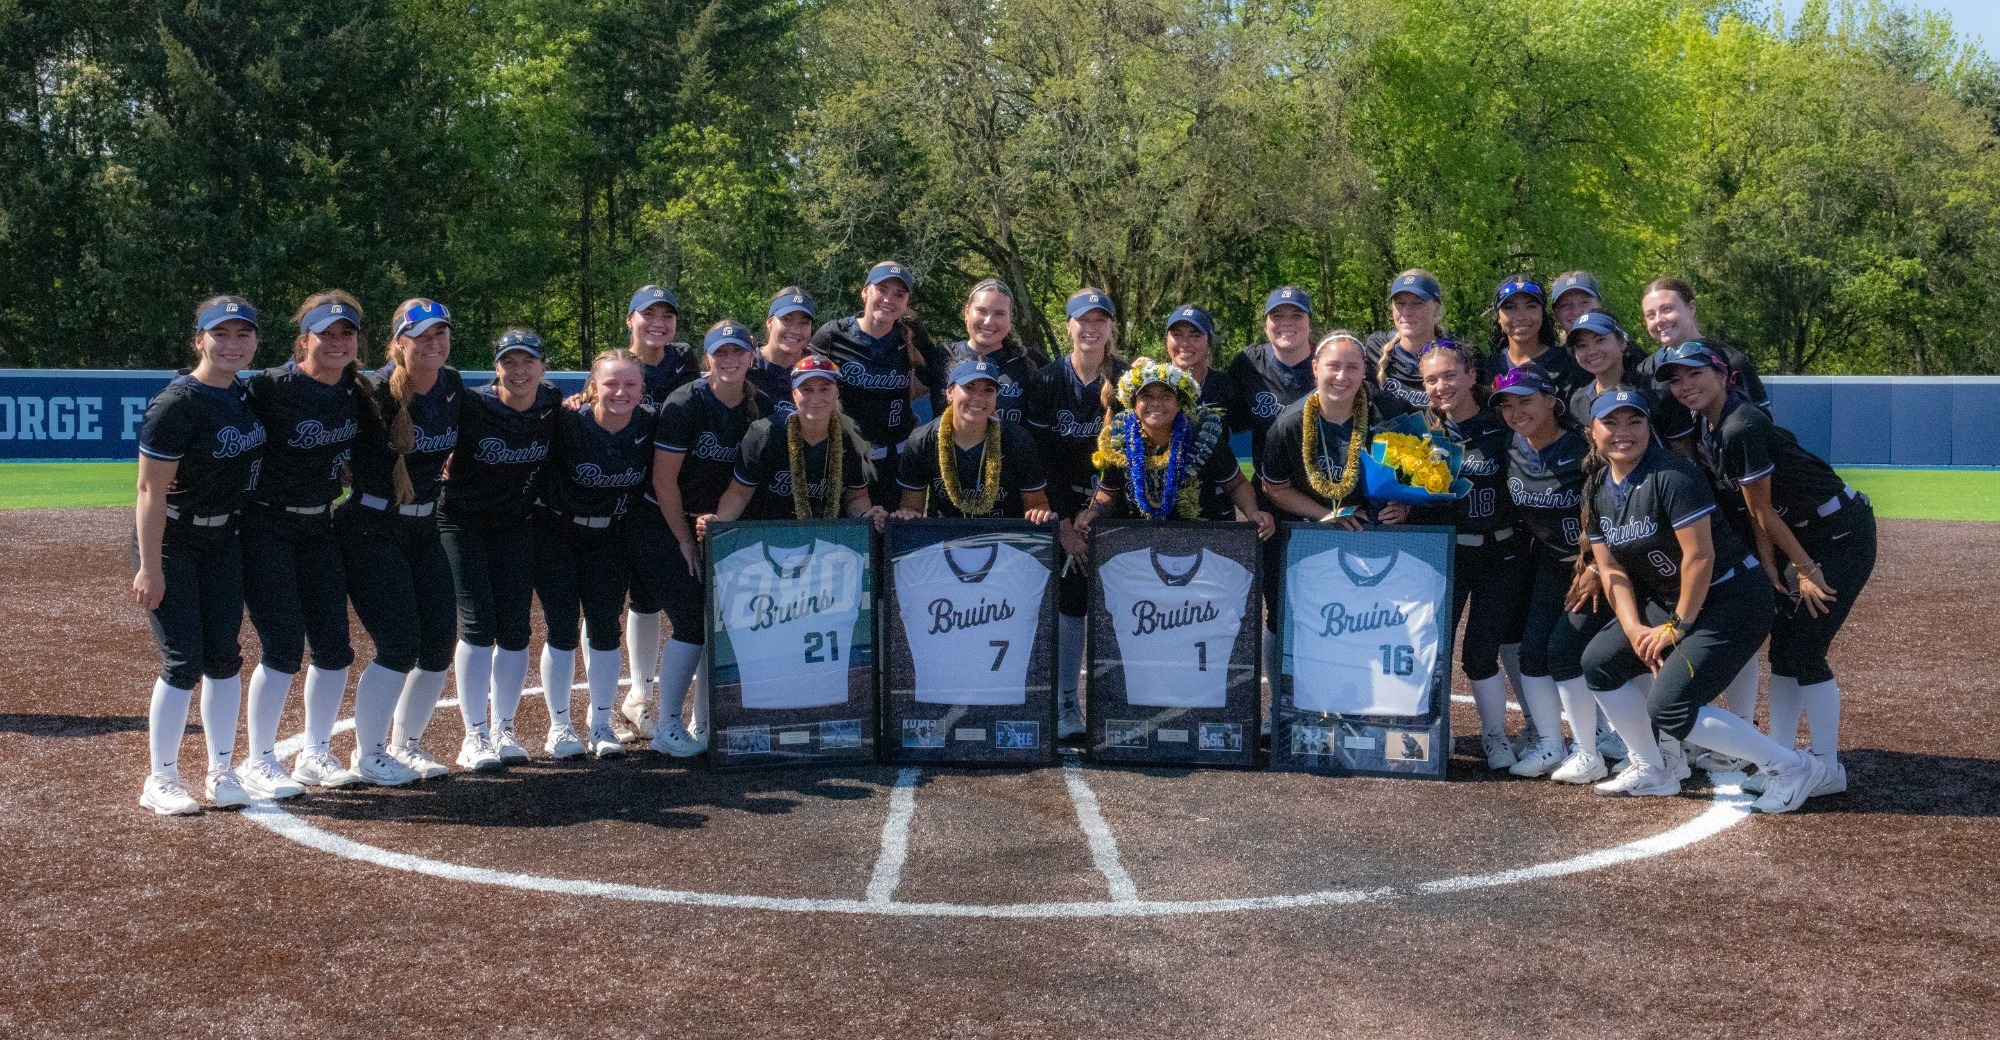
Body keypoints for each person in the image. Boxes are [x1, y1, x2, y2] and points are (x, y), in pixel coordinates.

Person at [1575, 389, 1824, 811]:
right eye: (1610, 422)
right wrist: (1635, 629)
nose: (1623, 433)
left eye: (1634, 421)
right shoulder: (1599, 486)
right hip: (1675, 601)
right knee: (1598, 662)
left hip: (1732, 597)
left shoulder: (1673, 475)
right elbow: (1612, 570)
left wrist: (1677, 626)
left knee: (1671, 706)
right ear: (1591, 432)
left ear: (1648, 426)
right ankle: (1653, 769)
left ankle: (1791, 767)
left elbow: (1699, 556)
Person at [1657, 342, 1873, 797]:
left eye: (1694, 373)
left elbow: (1762, 513)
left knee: (1805, 650)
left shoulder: (1740, 425)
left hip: (1839, 535)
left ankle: (1828, 767)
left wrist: (1806, 569)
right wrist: (1772, 569)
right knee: (1784, 655)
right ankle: (1782, 759)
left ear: (1724, 376)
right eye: (1675, 379)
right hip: (1802, 536)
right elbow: (1755, 511)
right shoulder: (1709, 425)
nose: (1684, 385)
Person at [132, 296, 268, 814]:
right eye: (221, 334)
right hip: (175, 541)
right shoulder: (177, 404)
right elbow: (150, 492)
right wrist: (150, 565)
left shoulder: (246, 395)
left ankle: (221, 769)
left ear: (256, 340)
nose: (232, 345)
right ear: (199, 340)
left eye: (242, 335)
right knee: (183, 660)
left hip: (223, 540)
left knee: (224, 658)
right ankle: (161, 778)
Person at [625, 321, 769, 756]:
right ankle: (667, 725)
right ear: (707, 358)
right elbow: (663, 480)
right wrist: (686, 540)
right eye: (720, 353)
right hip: (663, 521)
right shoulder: (686, 401)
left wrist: (717, 529)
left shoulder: (757, 405)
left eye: (737, 352)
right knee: (691, 620)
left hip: (718, 523)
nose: (729, 361)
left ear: (751, 356)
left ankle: (704, 722)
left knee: (717, 620)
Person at [241, 291, 365, 793]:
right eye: (326, 333)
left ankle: (315, 753)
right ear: (304, 338)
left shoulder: (356, 391)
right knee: (283, 645)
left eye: (346, 334)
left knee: (335, 647)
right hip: (266, 526)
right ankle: (259, 759)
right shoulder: (269, 388)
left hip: (321, 526)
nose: (336, 342)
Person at [336, 298, 463, 786]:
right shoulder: (368, 390)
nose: (432, 343)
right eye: (421, 335)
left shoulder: (452, 387)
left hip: (423, 525)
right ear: (398, 343)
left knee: (437, 642)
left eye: (440, 334)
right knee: (398, 643)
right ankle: (367, 754)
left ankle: (406, 745)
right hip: (370, 525)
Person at [1403, 340, 1537, 770]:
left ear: (1471, 375)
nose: (1440, 386)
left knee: (1482, 651)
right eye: (1430, 379)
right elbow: (1402, 487)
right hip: (1446, 555)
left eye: (1449, 375)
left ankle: (1498, 735)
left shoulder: (1502, 426)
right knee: (1431, 646)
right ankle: (1432, 728)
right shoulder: (1419, 431)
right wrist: (1402, 503)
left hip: (1501, 554)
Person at [437, 328, 560, 769]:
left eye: (528, 361)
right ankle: (474, 736)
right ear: (496, 368)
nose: (519, 370)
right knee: (476, 624)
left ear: (543, 367)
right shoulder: (472, 405)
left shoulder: (551, 405)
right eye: (509, 361)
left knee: (515, 629)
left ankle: (503, 728)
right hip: (462, 522)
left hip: (514, 524)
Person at [1492, 365, 1614, 782]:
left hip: (1604, 568)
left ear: (1551, 401)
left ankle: (1591, 748)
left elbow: (1617, 511)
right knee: (1531, 654)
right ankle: (1549, 744)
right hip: (1551, 565)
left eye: (1525, 400)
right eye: (1507, 404)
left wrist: (1598, 566)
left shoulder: (1585, 450)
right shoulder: (1513, 448)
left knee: (1568, 652)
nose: (1515, 411)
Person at [535, 349, 655, 761]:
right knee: (562, 630)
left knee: (605, 630)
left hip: (609, 537)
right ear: (591, 387)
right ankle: (559, 726)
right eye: (610, 383)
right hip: (558, 535)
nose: (620, 392)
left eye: (630, 384)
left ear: (642, 389)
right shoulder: (565, 421)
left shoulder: (649, 423)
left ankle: (600, 724)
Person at [1027, 289, 1129, 738]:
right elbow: (1039, 463)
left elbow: (1139, 456)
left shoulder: (1130, 380)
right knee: (1070, 603)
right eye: (1081, 320)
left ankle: (1125, 703)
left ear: (1111, 327)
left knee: (1124, 604)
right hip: (1065, 508)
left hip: (1122, 508)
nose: (1090, 329)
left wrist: (1100, 511)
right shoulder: (1047, 381)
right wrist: (1067, 525)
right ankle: (1066, 701)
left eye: (1100, 320)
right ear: (1067, 325)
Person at [1074, 358, 1273, 538]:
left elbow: (1236, 484)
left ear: (1179, 403)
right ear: (1134, 403)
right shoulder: (1119, 439)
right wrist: (1094, 511)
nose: (1156, 403)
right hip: (1136, 543)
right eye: (1147, 396)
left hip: (1199, 539)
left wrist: (1253, 512)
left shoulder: (1202, 436)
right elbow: (1109, 491)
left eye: (1165, 396)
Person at [810, 260, 946, 508]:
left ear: (906, 303)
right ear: (865, 292)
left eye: (899, 294)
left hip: (895, 460)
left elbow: (943, 372)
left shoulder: (912, 337)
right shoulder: (833, 335)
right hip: (843, 457)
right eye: (882, 289)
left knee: (891, 532)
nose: (889, 299)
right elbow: (799, 379)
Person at [708, 355, 884, 525]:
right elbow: (739, 493)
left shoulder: (850, 437)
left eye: (824, 389)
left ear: (837, 392)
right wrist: (718, 524)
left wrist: (865, 517)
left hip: (827, 541)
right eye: (806, 389)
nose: (815, 398)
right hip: (767, 537)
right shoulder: (765, 433)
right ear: (793, 394)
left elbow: (856, 496)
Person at [894, 359, 1055, 524]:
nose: (978, 398)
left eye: (988, 390)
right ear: (949, 393)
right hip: (943, 537)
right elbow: (912, 507)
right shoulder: (921, 441)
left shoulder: (1018, 440)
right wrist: (907, 514)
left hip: (1003, 537)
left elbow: (1037, 504)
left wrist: (1039, 513)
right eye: (969, 388)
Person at [1635, 277, 1770, 443]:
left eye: (1667, 309)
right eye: (1650, 315)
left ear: (1691, 308)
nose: (1659, 320)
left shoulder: (1731, 360)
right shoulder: (1647, 371)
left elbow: (1763, 429)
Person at [943, 278, 1041, 427]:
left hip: (1011, 449)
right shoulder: (942, 356)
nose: (988, 321)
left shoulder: (1029, 362)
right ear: (967, 312)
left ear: (1010, 319)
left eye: (999, 314)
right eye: (981, 311)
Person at [1486, 276, 1589, 397]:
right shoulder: (1488, 368)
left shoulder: (1571, 364)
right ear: (1498, 316)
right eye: (1510, 307)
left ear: (1542, 313)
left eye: (1531, 306)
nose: (1521, 317)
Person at [1365, 271, 1451, 411]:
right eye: (1400, 303)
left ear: (1436, 307)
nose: (1407, 312)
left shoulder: (1456, 356)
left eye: (1417, 303)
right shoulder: (1375, 349)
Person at [626, 285, 702, 408]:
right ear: (630, 320)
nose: (658, 323)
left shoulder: (683, 356)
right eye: (648, 314)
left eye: (667, 316)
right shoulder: (615, 367)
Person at [748, 287, 816, 410]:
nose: (795, 330)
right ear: (770, 323)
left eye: (804, 322)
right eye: (787, 319)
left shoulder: (816, 369)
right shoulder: (747, 364)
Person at [1162, 305, 1234, 414]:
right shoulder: (1152, 385)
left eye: (1195, 336)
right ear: (1166, 341)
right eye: (1177, 335)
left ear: (1209, 343)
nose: (1185, 343)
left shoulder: (1227, 387)